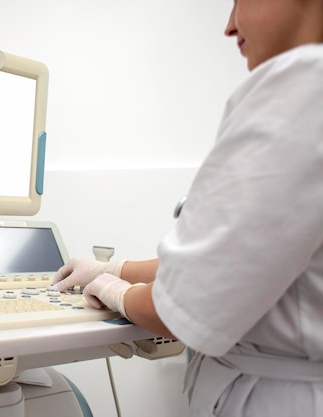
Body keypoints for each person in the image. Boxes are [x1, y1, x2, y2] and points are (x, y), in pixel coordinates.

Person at [51, 1, 323, 416]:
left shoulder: (300, 85)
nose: (229, 27)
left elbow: (183, 303)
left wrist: (111, 291)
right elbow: (237, 262)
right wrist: (114, 269)